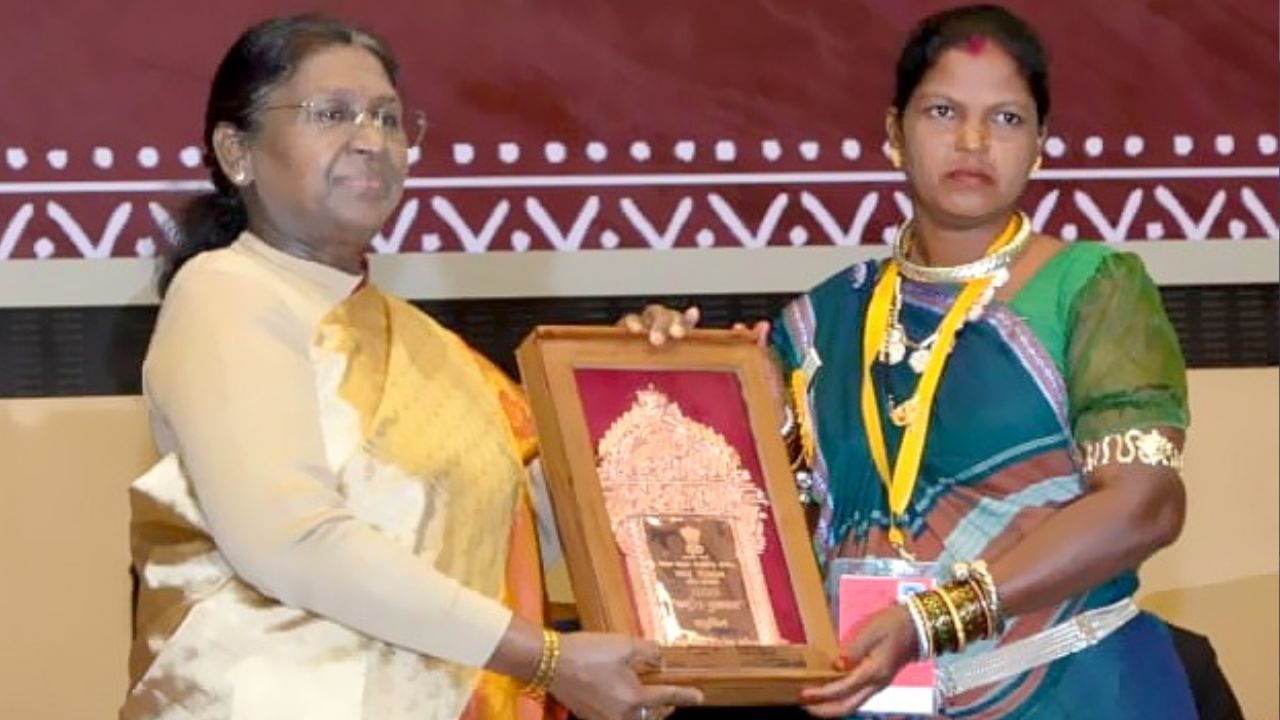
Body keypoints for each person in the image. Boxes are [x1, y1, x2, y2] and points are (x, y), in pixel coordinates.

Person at [122, 14, 702, 720]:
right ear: (235, 150)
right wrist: (543, 659)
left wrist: (636, 391)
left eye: (389, 119)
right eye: (331, 113)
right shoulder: (227, 292)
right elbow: (290, 541)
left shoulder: (427, 347)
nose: (371, 140)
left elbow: (515, 535)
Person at [627, 5, 1198, 718]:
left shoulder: (1092, 288)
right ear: (894, 133)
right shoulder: (821, 323)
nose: (973, 140)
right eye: (942, 111)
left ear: (1042, 145)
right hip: (879, 696)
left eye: (1008, 119)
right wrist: (660, 377)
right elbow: (762, 536)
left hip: (1073, 689)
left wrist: (932, 618)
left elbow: (1145, 506)